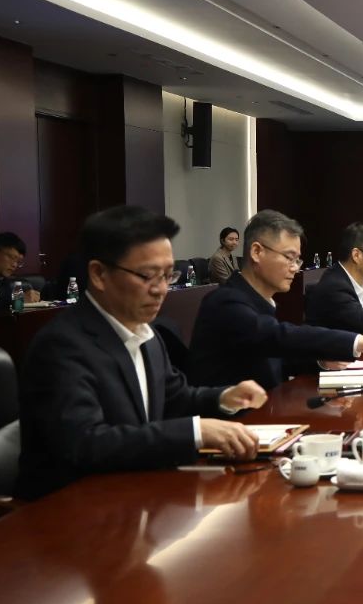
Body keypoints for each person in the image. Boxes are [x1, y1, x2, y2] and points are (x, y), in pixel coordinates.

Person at [17, 206, 266, 499]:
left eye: (168, 275)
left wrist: (224, 397)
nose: (161, 290)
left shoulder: (147, 334)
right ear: (99, 274)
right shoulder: (62, 346)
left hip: (136, 493)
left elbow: (174, 397)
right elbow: (87, 443)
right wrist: (196, 433)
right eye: (148, 275)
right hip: (71, 509)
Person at [188, 210, 363, 390]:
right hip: (230, 427)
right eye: (289, 257)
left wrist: (320, 362)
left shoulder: (259, 301)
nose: (294, 268)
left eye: (297, 260)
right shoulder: (226, 302)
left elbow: (276, 359)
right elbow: (279, 336)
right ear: (257, 252)